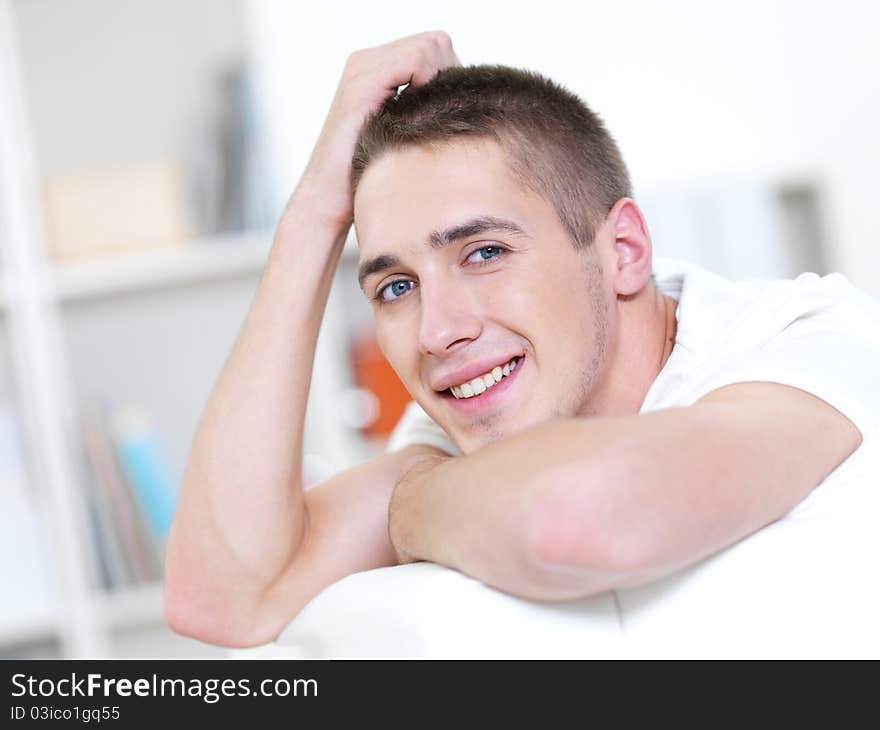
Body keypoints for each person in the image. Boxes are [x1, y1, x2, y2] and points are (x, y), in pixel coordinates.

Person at [164, 31, 878, 649]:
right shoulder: (476, 413)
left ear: (624, 250)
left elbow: (575, 519)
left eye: (484, 254)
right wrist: (312, 218)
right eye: (395, 287)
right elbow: (220, 597)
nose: (440, 332)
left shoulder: (811, 342)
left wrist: (405, 503)